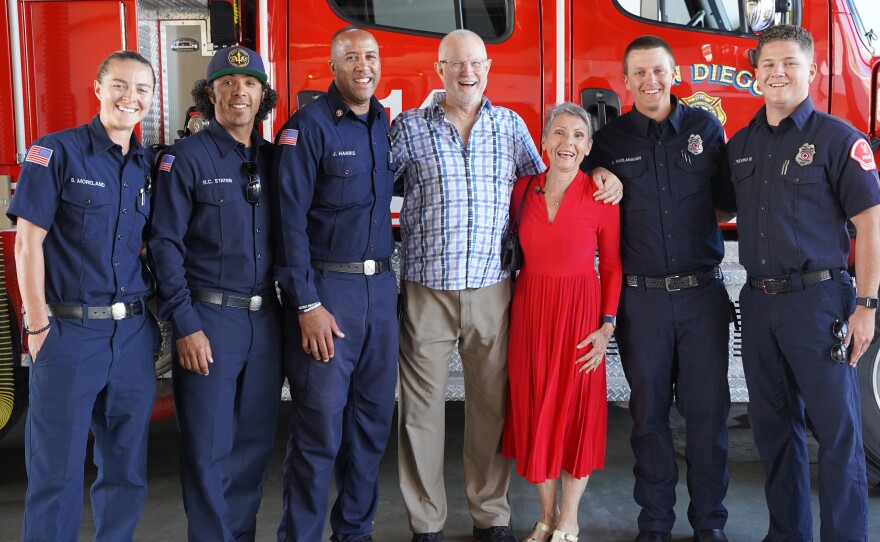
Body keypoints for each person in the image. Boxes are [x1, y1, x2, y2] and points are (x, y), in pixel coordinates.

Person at [391, 29, 619, 542]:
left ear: (488, 68)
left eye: (474, 63)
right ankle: (426, 524)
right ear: (439, 68)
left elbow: (553, 182)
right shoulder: (407, 129)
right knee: (419, 413)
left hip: (494, 290)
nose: (466, 72)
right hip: (427, 288)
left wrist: (603, 172)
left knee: (490, 408)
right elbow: (372, 188)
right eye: (455, 64)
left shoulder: (511, 127)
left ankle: (490, 515)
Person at [727, 25, 879, 542]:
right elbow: (718, 205)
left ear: (811, 70)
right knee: (773, 430)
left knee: (838, 435)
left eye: (790, 63)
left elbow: (870, 224)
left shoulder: (839, 140)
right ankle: (787, 534)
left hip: (820, 303)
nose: (778, 73)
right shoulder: (741, 143)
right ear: (755, 75)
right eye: (768, 64)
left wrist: (867, 305)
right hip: (760, 302)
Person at [585, 36, 736, 542]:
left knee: (707, 416)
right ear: (624, 81)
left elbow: (726, 207)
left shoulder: (705, 129)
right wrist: (599, 173)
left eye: (659, 71)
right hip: (641, 302)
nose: (651, 81)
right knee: (647, 417)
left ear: (674, 74)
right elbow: (583, 205)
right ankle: (654, 524)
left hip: (701, 297)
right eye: (639, 73)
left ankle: (709, 524)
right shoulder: (607, 143)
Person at [8, 50, 159, 541]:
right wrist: (37, 326)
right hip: (69, 332)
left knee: (126, 471)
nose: (129, 98)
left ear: (151, 99)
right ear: (97, 89)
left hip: (132, 335)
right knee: (57, 474)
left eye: (140, 89)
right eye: (119, 85)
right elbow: (28, 242)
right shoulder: (55, 152)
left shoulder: (147, 165)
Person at [147, 46, 282, 542]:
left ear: (263, 95)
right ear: (209, 94)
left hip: (265, 322)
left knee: (252, 447)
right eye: (226, 83)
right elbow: (164, 247)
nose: (238, 92)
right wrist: (185, 325)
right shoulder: (185, 159)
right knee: (208, 448)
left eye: (249, 85)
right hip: (209, 322)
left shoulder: (272, 160)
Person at [271, 27, 397, 542]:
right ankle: (299, 535)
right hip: (329, 294)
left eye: (370, 57)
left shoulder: (383, 122)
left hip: (381, 296)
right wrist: (307, 303)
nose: (363, 67)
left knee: (370, 429)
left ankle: (354, 532)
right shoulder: (307, 128)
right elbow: (289, 224)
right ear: (333, 66)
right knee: (319, 430)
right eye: (351, 58)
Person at [501, 102, 622, 542]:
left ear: (589, 146)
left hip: (580, 317)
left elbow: (611, 267)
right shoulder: (522, 190)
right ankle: (547, 515)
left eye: (577, 136)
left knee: (575, 418)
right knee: (535, 413)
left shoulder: (602, 195)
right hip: (530, 312)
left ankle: (569, 519)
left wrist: (607, 324)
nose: (566, 143)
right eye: (558, 133)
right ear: (544, 140)